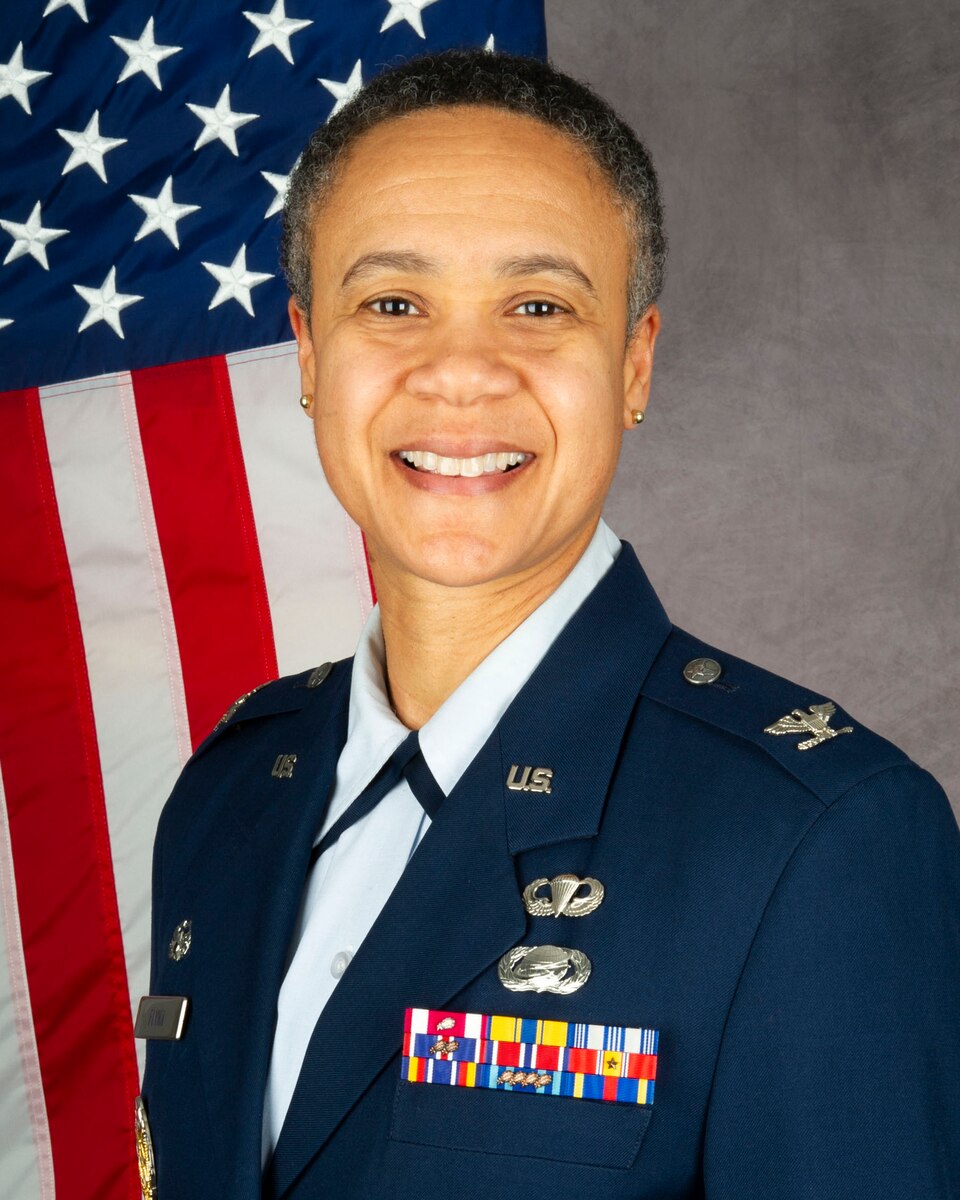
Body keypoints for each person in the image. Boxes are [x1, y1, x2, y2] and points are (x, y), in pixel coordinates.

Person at [138, 49, 960, 1199]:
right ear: (312, 357)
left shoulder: (816, 839)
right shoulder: (232, 795)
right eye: (391, 302)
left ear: (633, 363)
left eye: (538, 305)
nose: (461, 372)